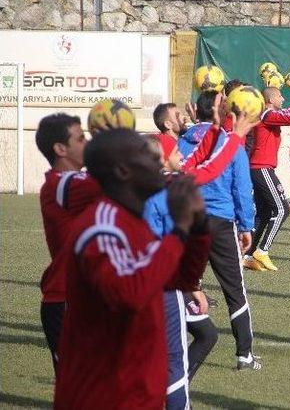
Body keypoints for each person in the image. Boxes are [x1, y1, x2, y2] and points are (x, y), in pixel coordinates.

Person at [54, 130, 210, 409]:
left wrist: (197, 228)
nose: (157, 164)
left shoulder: (132, 216)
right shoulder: (102, 227)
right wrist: (179, 233)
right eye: (149, 159)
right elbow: (131, 291)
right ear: (124, 171)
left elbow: (179, 276)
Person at [178, 90, 262, 371]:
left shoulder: (182, 142)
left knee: (187, 285)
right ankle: (244, 354)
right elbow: (241, 188)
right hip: (220, 222)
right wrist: (246, 225)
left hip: (188, 221)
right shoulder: (230, 144)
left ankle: (180, 341)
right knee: (234, 290)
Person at [143, 135, 218, 409]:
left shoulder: (127, 190)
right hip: (164, 285)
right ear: (162, 157)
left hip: (134, 284)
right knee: (180, 354)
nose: (181, 153)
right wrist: (192, 286)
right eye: (175, 149)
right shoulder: (169, 192)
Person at [35, 113, 102, 373]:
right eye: (81, 138)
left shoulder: (80, 181)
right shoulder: (61, 184)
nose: (87, 143)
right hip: (65, 301)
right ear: (60, 149)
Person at [243, 83, 290, 272]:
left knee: (265, 212)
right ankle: (263, 251)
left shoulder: (268, 115)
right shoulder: (266, 114)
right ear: (270, 100)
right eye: (280, 96)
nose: (283, 99)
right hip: (261, 168)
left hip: (261, 168)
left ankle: (247, 254)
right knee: (282, 209)